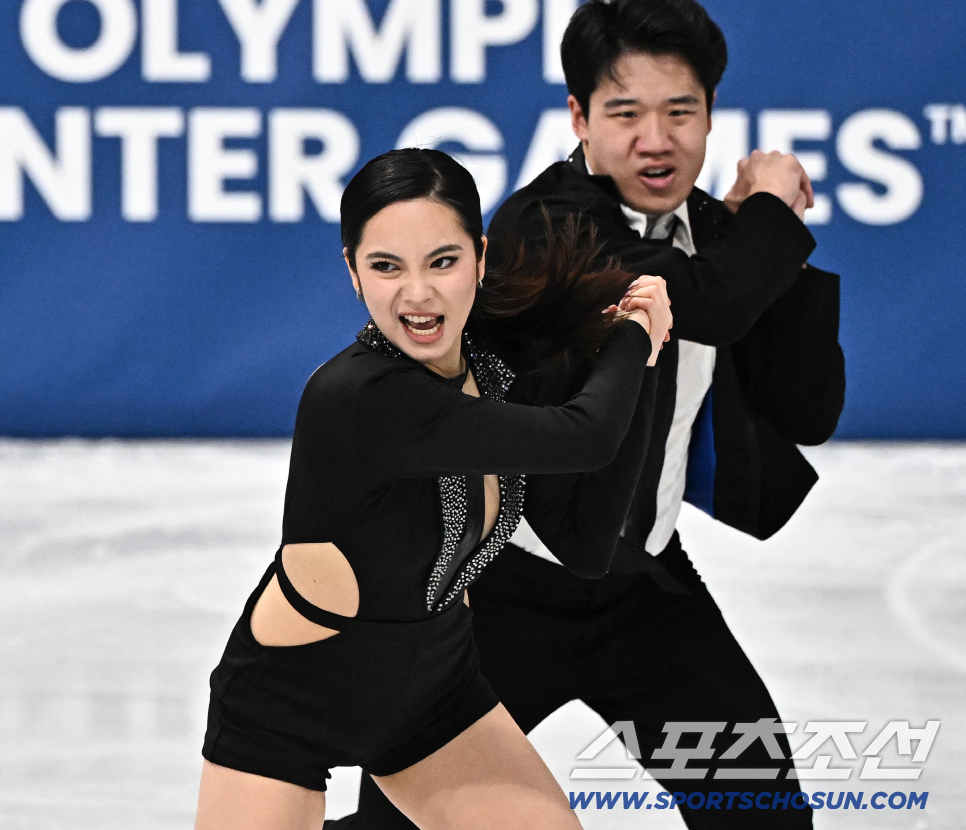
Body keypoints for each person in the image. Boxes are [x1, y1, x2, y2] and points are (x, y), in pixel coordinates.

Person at [337, 0, 845, 829]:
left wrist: (771, 251)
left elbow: (808, 409)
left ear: (712, 114)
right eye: (625, 111)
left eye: (681, 110)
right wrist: (771, 212)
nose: (656, 139)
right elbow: (703, 304)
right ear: (578, 116)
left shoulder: (726, 240)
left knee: (764, 813)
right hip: (495, 592)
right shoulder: (548, 226)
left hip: (641, 587)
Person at [196, 147, 672, 829]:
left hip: (434, 694)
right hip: (290, 704)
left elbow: (586, 543)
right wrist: (632, 336)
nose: (416, 294)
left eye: (442, 261)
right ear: (353, 273)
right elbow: (586, 436)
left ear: (480, 256)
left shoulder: (490, 366)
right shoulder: (360, 397)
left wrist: (644, 359)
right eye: (386, 266)